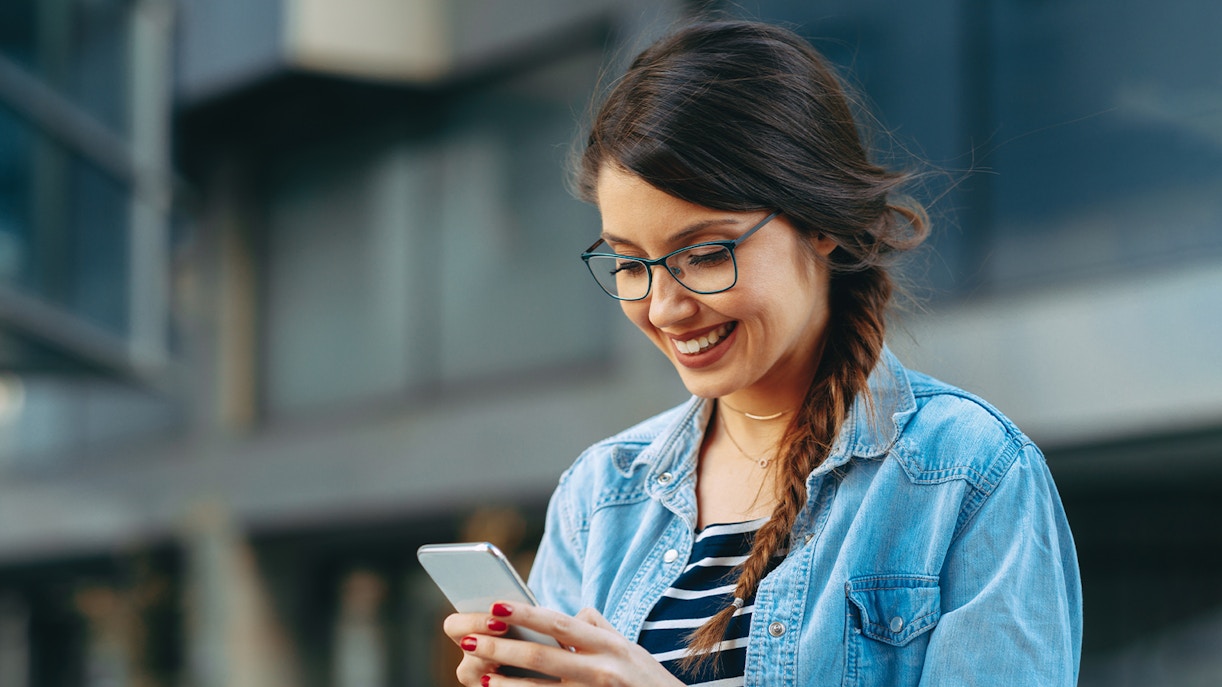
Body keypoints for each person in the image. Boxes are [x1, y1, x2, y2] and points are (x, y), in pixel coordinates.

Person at [442, 19, 1082, 687]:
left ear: (820, 222)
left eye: (704, 254)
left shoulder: (967, 473)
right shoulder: (601, 496)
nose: (663, 308)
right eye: (630, 264)